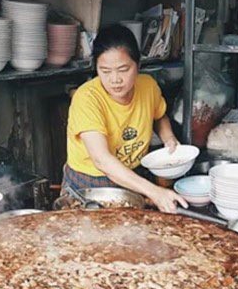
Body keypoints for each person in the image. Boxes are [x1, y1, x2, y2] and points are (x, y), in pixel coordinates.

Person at [63, 24, 187, 213]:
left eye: (123, 69)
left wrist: (169, 139)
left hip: (131, 177)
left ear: (138, 66)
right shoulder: (87, 98)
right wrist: (154, 191)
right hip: (89, 184)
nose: (115, 79)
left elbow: (159, 116)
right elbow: (102, 160)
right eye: (105, 71)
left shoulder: (148, 86)